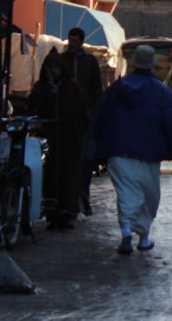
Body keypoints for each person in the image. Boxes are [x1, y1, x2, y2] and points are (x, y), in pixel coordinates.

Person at [92, 45, 172, 254]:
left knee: (126, 193)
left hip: (118, 149)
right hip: (149, 152)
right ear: (151, 65)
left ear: (133, 64)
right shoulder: (160, 90)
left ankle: (126, 229)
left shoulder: (116, 88)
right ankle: (143, 237)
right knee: (149, 195)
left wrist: (97, 146)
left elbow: (101, 118)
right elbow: (170, 123)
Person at [29, 48, 89, 230]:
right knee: (50, 176)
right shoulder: (41, 88)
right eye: (50, 67)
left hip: (70, 139)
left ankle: (66, 213)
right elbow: (32, 109)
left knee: (69, 176)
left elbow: (81, 112)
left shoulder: (71, 87)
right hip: (48, 141)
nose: (53, 71)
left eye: (56, 67)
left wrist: (82, 133)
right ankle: (52, 213)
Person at [60, 27, 103, 216]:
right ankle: (69, 201)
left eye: (75, 41)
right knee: (68, 161)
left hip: (85, 121)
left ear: (82, 41)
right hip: (66, 120)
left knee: (86, 161)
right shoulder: (61, 61)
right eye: (70, 41)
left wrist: (93, 114)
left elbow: (96, 90)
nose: (72, 44)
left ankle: (83, 196)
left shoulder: (90, 62)